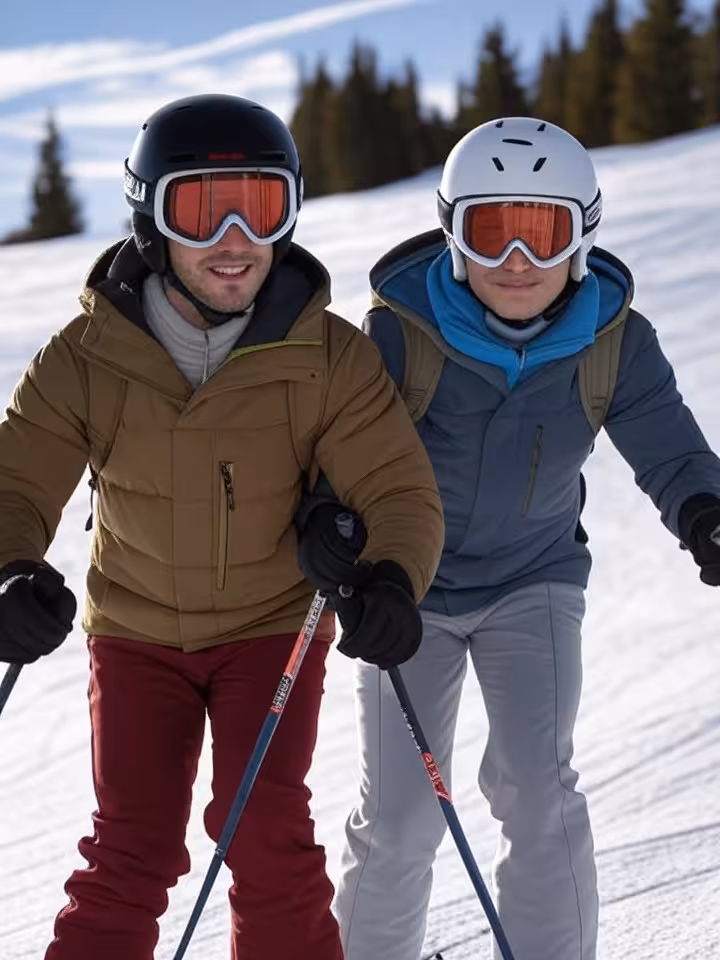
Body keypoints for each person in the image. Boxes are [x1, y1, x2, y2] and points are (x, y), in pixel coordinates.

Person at [0, 93, 444, 960]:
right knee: (132, 846)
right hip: (134, 632)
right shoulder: (87, 357)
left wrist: (392, 576)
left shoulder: (327, 355)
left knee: (267, 832)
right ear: (151, 219)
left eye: (263, 204)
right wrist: (12, 570)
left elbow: (397, 486)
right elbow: (15, 480)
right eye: (204, 209)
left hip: (268, 631)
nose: (236, 237)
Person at [298, 117, 720, 960]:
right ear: (455, 234)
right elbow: (331, 451)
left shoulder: (615, 343)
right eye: (493, 232)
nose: (517, 260)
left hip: (535, 581)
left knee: (539, 791)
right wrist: (328, 524)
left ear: (582, 236)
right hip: (401, 589)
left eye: (542, 231)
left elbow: (672, 449)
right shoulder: (395, 336)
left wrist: (706, 513)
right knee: (402, 817)